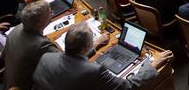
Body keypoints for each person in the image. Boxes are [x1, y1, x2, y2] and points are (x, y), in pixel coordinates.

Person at [32, 21, 171, 90]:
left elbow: (72, 56)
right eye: (92, 39)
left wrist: (96, 45)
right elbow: (127, 86)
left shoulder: (46, 57)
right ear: (86, 46)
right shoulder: (94, 70)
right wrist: (152, 66)